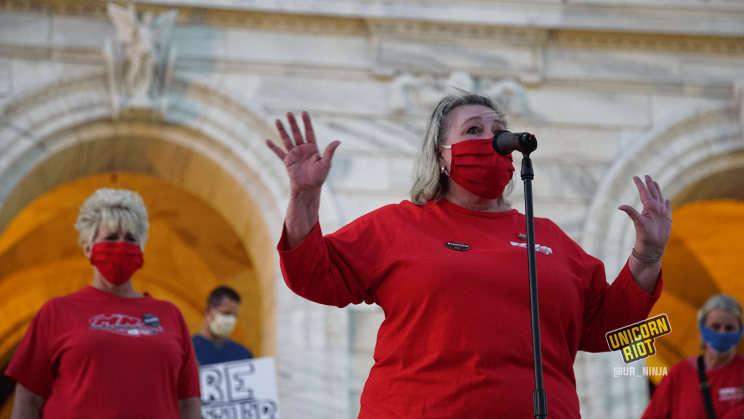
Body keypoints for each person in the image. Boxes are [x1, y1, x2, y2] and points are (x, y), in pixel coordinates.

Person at [265, 91, 672, 418]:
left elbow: (608, 325)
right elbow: (312, 274)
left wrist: (647, 255)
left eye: (500, 131)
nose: (494, 140)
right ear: (441, 155)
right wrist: (305, 195)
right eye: (474, 129)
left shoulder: (548, 238)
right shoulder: (398, 225)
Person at [5, 188, 201, 419]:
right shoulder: (56, 313)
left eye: (130, 239)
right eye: (110, 238)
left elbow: (189, 405)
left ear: (141, 250)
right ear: (88, 248)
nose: (121, 246)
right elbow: (27, 403)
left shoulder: (171, 316)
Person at [642, 294, 744, 419]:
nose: (722, 333)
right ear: (702, 327)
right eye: (715, 327)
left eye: (729, 328)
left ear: (740, 330)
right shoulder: (679, 374)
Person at [192, 286, 254, 366]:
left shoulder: (242, 354)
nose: (230, 320)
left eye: (234, 315)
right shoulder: (189, 349)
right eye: (226, 313)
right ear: (209, 310)